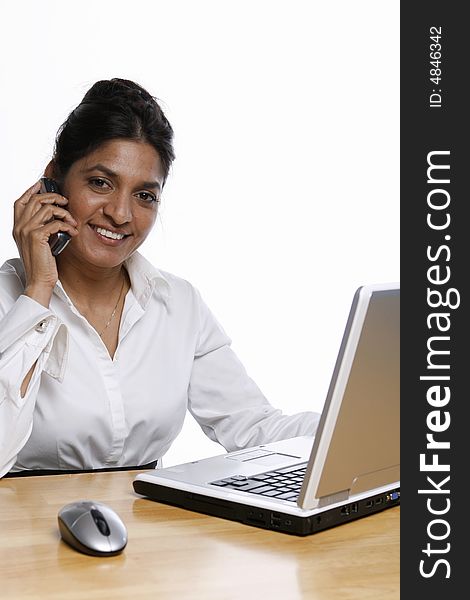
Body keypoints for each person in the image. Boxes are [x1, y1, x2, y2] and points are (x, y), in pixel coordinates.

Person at [0, 78, 320, 478]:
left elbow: (251, 425)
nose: (120, 214)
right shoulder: (7, 300)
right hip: (20, 533)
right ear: (53, 180)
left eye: (144, 195)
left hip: (143, 534)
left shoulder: (177, 302)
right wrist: (38, 290)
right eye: (101, 183)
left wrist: (356, 427)